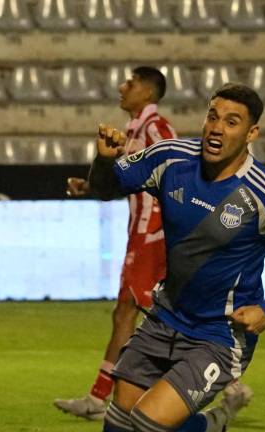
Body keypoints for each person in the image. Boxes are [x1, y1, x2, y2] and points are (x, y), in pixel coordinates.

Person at [89, 82, 265, 432]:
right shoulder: (172, 158)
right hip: (164, 318)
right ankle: (213, 425)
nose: (217, 128)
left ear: (251, 133)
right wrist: (103, 161)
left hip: (219, 335)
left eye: (231, 122)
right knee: (118, 420)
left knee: (146, 423)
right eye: (213, 117)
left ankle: (211, 423)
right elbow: (104, 188)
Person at [55, 66, 178, 420]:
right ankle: (102, 397)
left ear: (149, 92)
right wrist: (90, 186)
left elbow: (178, 172)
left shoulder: (157, 128)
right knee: (132, 312)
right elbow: (132, 181)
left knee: (136, 312)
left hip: (154, 234)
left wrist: (168, 227)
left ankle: (218, 381)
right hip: (142, 232)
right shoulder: (134, 130)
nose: (122, 87)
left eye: (131, 82)